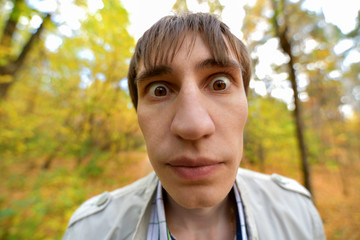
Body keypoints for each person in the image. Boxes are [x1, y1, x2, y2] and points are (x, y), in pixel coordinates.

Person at [63, 12, 326, 240]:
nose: (192, 126)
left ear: (245, 104)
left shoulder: (298, 213)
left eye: (219, 84)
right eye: (159, 89)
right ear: (138, 114)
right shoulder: (89, 230)